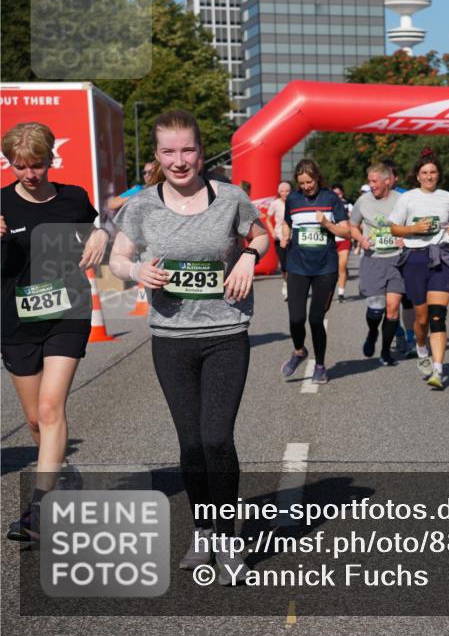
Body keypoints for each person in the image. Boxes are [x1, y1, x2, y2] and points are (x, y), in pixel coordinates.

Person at [108, 109, 270, 584]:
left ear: (201, 151)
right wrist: (136, 272)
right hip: (170, 339)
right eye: (168, 152)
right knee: (191, 443)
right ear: (157, 156)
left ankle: (227, 536)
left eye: (188, 150)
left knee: (217, 437)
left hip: (225, 334)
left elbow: (259, 234)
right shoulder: (141, 206)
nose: (179, 161)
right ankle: (203, 528)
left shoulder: (231, 198)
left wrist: (246, 258)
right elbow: (119, 256)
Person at [2, 122, 108, 541]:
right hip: (15, 320)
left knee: (50, 410)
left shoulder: (73, 198)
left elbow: (97, 229)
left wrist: (100, 233)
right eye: (20, 167)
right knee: (34, 420)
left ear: (51, 160)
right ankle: (62, 474)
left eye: (38, 165)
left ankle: (40, 513)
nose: (29, 175)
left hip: (67, 313)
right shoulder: (1, 205)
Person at [389, 149, 449, 390]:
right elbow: (394, 229)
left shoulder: (448, 197)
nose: (429, 176)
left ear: (438, 174)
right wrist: (414, 229)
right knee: (421, 319)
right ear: (417, 176)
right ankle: (422, 349)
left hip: (440, 256)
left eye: (433, 172)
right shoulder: (407, 198)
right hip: (415, 259)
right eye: (424, 173)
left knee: (437, 315)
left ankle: (438, 370)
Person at [279, 160, 350, 384]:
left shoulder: (330, 199)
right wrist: (284, 234)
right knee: (296, 318)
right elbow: (287, 222)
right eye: (301, 183)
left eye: (309, 182)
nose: (306, 187)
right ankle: (299, 351)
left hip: (325, 267)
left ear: (317, 178)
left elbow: (346, 231)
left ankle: (320, 365)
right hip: (298, 265)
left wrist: (327, 224)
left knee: (316, 319)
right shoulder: (293, 199)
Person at [350, 163, 406, 367]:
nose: (370, 185)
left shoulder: (402, 201)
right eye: (369, 181)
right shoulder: (362, 201)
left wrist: (405, 239)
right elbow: (353, 225)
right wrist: (360, 239)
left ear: (388, 181)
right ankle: (372, 332)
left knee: (392, 309)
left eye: (374, 181)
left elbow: (411, 226)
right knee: (376, 309)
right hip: (373, 259)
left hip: (397, 260)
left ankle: (385, 351)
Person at [380, 158, 416, 355]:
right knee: (386, 301)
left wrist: (407, 236)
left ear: (395, 178)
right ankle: (399, 333)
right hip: (380, 256)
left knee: (407, 300)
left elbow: (416, 222)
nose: (384, 181)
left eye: (388, 176)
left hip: (405, 255)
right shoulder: (372, 196)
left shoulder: (407, 196)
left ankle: (410, 337)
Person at [266, 180, 292, 301]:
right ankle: (286, 283)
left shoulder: (294, 201)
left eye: (287, 191)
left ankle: (293, 288)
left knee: (293, 265)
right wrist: (272, 233)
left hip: (293, 238)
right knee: (284, 266)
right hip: (279, 237)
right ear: (278, 192)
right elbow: (267, 218)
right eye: (282, 191)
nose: (285, 193)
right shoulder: (275, 203)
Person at [330, 183, 351, 304]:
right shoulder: (326, 205)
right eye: (334, 194)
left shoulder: (348, 205)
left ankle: (341, 293)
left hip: (344, 239)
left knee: (342, 265)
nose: (337, 196)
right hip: (331, 240)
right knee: (334, 267)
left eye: (339, 193)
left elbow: (353, 220)